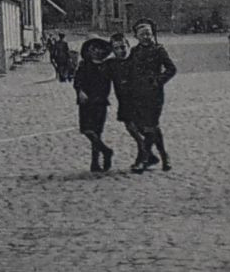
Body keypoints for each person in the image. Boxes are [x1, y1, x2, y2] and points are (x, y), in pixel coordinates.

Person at [121, 19, 177, 173]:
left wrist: (159, 81)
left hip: (154, 95)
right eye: (142, 34)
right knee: (147, 127)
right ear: (136, 37)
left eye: (149, 34)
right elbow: (128, 69)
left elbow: (171, 69)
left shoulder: (159, 50)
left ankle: (143, 158)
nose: (146, 37)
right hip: (138, 95)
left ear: (153, 35)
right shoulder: (134, 52)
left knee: (150, 126)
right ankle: (163, 156)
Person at [73, 38, 117, 172]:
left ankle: (95, 162)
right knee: (86, 130)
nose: (96, 51)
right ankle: (106, 151)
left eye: (98, 48)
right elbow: (77, 81)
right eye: (92, 49)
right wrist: (80, 91)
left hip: (100, 102)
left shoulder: (108, 66)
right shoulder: (84, 65)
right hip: (86, 103)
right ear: (88, 51)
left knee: (97, 132)